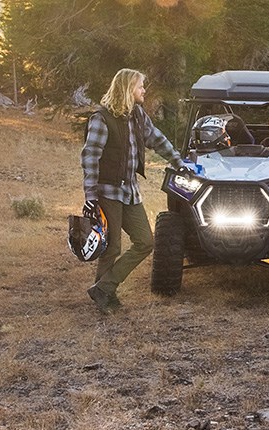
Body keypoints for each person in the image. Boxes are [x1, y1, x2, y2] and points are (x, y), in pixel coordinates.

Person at [81, 68, 182, 315]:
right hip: (107, 191)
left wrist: (179, 162)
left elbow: (156, 139)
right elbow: (90, 157)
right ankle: (106, 297)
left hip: (130, 191)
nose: (144, 90)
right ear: (128, 89)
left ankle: (103, 287)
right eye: (140, 86)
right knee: (111, 247)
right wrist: (91, 196)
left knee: (145, 241)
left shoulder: (137, 115)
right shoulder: (101, 118)